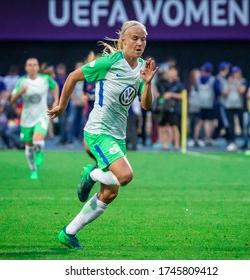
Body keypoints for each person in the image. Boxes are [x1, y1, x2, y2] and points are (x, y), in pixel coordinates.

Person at [48, 20, 158, 250]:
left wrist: (147, 84)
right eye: (135, 38)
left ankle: (68, 233)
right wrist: (61, 106)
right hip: (98, 131)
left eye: (143, 39)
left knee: (110, 193)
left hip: (117, 137)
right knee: (125, 176)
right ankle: (91, 174)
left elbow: (146, 105)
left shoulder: (141, 69)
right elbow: (72, 77)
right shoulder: (109, 63)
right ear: (123, 41)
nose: (140, 43)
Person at [11, 57, 59, 180]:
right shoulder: (21, 81)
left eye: (34, 65)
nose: (32, 67)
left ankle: (39, 151)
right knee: (29, 147)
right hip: (26, 118)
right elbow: (12, 100)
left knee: (37, 141)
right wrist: (20, 92)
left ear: (38, 67)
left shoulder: (45, 79)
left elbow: (55, 87)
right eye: (29, 65)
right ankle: (33, 170)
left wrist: (56, 101)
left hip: (41, 116)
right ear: (26, 68)